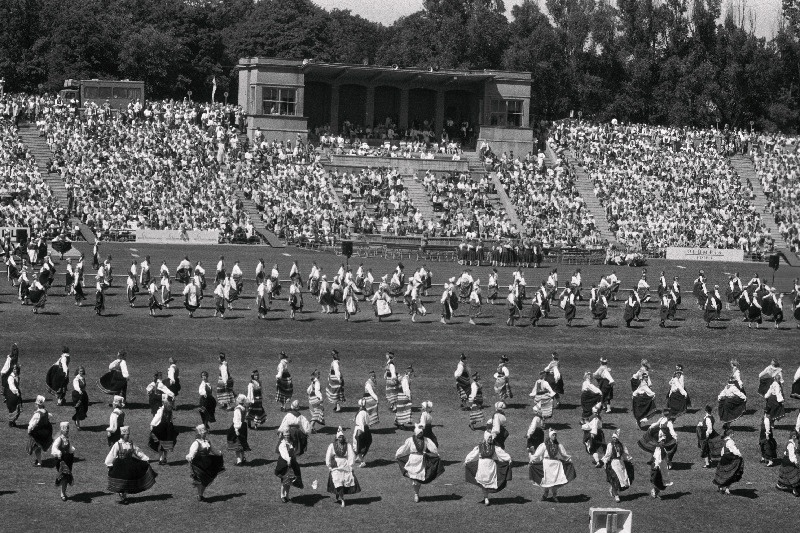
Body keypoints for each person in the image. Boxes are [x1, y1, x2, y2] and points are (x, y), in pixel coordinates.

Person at [105, 426, 157, 504]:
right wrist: (109, 463)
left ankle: (124, 496)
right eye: (126, 435)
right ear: (122, 435)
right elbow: (112, 454)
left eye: (128, 435)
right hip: (120, 465)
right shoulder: (117, 444)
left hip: (130, 465)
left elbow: (138, 452)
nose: (128, 436)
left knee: (128, 481)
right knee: (122, 481)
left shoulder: (131, 444)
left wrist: (145, 458)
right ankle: (123, 497)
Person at [396, 424, 444, 503]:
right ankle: (416, 493)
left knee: (418, 478)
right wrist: (398, 454)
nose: (420, 434)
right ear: (416, 433)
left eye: (421, 433)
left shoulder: (426, 440)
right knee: (414, 480)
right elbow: (405, 447)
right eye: (419, 433)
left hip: (421, 460)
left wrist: (436, 454)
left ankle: (416, 493)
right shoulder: (410, 440)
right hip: (412, 460)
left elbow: (432, 447)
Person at [465, 429, 513, 506]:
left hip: (491, 468)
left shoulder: (494, 447)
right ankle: (486, 497)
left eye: (491, 437)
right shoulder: (480, 446)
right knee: (483, 483)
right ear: (486, 437)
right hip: (482, 467)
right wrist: (467, 460)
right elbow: (473, 453)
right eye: (489, 437)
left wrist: (508, 458)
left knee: (489, 482)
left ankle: (486, 496)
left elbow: (501, 453)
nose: (490, 439)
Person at [187, 424, 225, 501]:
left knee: (206, 479)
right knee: (200, 480)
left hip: (207, 463)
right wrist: (190, 456)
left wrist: (219, 453)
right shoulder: (196, 443)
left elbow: (213, 450)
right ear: (199, 433)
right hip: (198, 464)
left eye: (205, 433)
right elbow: (192, 452)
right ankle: (199, 495)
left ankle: (200, 495)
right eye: (203, 433)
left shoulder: (207, 441)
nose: (204, 434)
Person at [326, 427, 361, 507]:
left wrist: (350, 465)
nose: (340, 438)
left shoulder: (347, 445)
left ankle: (340, 496)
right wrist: (329, 465)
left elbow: (351, 456)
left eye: (342, 437)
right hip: (336, 466)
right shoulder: (332, 445)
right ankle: (342, 499)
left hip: (345, 465)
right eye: (339, 437)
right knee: (337, 481)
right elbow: (328, 455)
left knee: (344, 481)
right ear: (337, 437)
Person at [602, 430, 634, 502]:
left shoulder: (621, 445)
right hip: (613, 463)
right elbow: (608, 454)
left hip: (620, 463)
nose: (614, 439)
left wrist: (628, 460)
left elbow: (625, 454)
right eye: (613, 437)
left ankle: (613, 489)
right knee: (615, 478)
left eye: (615, 438)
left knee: (622, 480)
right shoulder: (610, 445)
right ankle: (616, 495)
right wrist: (605, 462)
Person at [714, 427, 745, 495]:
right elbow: (734, 450)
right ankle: (727, 490)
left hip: (724, 458)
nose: (733, 434)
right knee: (730, 474)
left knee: (723, 473)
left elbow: (722, 451)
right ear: (730, 434)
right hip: (730, 458)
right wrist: (739, 455)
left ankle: (721, 487)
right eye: (733, 433)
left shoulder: (724, 440)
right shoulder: (730, 441)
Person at [275, 430, 303, 502]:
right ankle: (282, 495)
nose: (286, 436)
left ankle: (287, 495)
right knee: (284, 480)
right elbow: (284, 454)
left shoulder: (291, 442)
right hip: (284, 464)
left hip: (291, 463)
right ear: (283, 436)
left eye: (287, 435)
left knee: (289, 480)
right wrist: (288, 460)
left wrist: (293, 459)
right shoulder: (282, 444)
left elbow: (292, 452)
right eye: (285, 435)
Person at [51, 421, 76, 501]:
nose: (67, 430)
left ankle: (63, 493)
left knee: (67, 476)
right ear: (62, 430)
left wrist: (71, 451)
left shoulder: (67, 439)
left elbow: (70, 448)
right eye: (66, 429)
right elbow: (54, 448)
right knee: (64, 476)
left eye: (68, 429)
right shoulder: (59, 439)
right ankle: (62, 494)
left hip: (68, 459)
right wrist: (58, 453)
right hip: (61, 460)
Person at [149, 398, 178, 465]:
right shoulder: (162, 411)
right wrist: (152, 424)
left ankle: (164, 458)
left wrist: (172, 426)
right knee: (162, 444)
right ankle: (161, 458)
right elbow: (157, 417)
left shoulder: (169, 411)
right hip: (162, 428)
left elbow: (170, 419)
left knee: (165, 444)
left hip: (167, 429)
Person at [27, 395, 53, 466]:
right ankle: (39, 460)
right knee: (38, 447)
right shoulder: (45, 411)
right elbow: (49, 416)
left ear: (37, 404)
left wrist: (29, 431)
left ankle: (39, 462)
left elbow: (32, 424)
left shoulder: (37, 414)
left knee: (36, 447)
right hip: (45, 432)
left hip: (38, 433)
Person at [226, 394, 250, 465]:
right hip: (243, 426)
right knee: (242, 441)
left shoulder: (237, 409)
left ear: (238, 401)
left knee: (236, 442)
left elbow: (237, 419)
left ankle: (239, 460)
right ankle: (243, 457)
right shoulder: (244, 407)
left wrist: (236, 429)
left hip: (238, 426)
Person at [648, 433, 674, 499]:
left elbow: (665, 457)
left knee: (662, 480)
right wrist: (656, 465)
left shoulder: (663, 448)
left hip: (662, 466)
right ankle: (654, 491)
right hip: (657, 466)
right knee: (657, 480)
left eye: (664, 441)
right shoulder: (658, 449)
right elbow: (657, 458)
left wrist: (668, 462)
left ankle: (656, 492)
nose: (663, 442)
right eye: (662, 441)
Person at [776, 431, 800, 497]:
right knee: (794, 475)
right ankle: (795, 490)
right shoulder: (790, 444)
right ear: (793, 436)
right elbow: (791, 455)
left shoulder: (792, 442)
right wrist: (795, 462)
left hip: (786, 461)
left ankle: (780, 485)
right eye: (796, 436)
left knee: (786, 475)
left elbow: (785, 452)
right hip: (789, 462)